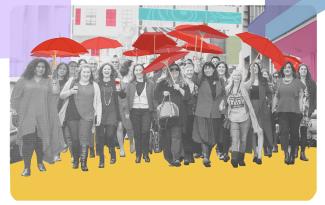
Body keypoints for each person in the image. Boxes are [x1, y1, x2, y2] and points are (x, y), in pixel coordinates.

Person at [11, 58, 66, 176]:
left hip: (43, 116)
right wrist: (14, 113)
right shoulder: (23, 80)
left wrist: (55, 78)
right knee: (28, 141)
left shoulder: (48, 81)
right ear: (33, 67)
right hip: (27, 116)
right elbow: (15, 98)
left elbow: (56, 93)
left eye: (43, 67)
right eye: (38, 66)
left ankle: (40, 163)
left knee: (40, 140)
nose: (41, 69)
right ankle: (26, 167)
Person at [59, 64, 102, 171]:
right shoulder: (72, 81)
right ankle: (75, 160)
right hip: (72, 114)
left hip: (87, 115)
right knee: (74, 140)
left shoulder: (95, 85)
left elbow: (98, 102)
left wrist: (99, 116)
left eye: (88, 72)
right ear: (80, 72)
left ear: (91, 74)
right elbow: (61, 95)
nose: (86, 74)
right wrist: (71, 91)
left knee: (84, 139)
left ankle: (83, 163)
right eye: (84, 72)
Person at [225, 68, 262, 168]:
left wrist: (253, 67)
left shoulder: (245, 86)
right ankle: (234, 158)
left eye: (238, 75)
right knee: (234, 138)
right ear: (232, 77)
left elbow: (252, 79)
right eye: (235, 75)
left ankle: (241, 159)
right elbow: (225, 101)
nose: (236, 77)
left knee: (243, 139)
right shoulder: (228, 88)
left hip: (245, 117)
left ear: (241, 77)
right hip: (233, 117)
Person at [154, 64, 190, 167]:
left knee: (176, 136)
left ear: (179, 71)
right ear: (168, 71)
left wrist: (179, 89)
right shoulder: (162, 82)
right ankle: (169, 158)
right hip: (165, 115)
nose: (174, 71)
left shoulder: (183, 83)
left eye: (176, 69)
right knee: (166, 138)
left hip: (178, 114)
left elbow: (188, 97)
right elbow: (155, 95)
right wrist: (163, 93)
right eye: (172, 69)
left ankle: (176, 159)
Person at [192, 62, 225, 167]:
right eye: (205, 68)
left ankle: (207, 156)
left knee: (213, 137)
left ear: (213, 69)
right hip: (202, 112)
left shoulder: (220, 80)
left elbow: (224, 94)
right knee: (203, 135)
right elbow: (193, 79)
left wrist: (223, 102)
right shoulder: (200, 80)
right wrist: (196, 70)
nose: (207, 70)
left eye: (209, 68)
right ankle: (206, 158)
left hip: (215, 113)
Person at [272, 62, 305, 165]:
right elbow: (276, 96)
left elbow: (301, 97)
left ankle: (292, 154)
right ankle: (286, 153)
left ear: (292, 70)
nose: (287, 69)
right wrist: (273, 107)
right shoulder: (278, 82)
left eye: (289, 67)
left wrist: (301, 110)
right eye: (285, 67)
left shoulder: (298, 82)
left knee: (295, 134)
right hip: (282, 112)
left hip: (295, 112)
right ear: (283, 70)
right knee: (284, 133)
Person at [125, 64, 155, 163]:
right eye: (136, 70)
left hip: (146, 110)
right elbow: (126, 98)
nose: (138, 72)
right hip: (134, 111)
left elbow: (154, 98)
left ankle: (145, 154)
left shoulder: (150, 83)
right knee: (137, 134)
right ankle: (138, 155)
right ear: (134, 72)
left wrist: (155, 112)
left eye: (140, 70)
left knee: (145, 132)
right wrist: (127, 112)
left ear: (144, 71)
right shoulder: (130, 84)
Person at [245, 63, 273, 165]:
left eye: (256, 67)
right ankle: (255, 154)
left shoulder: (264, 81)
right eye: (252, 68)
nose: (254, 69)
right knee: (252, 132)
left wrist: (268, 101)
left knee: (260, 131)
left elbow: (270, 93)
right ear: (250, 70)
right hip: (251, 109)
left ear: (259, 69)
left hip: (262, 109)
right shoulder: (247, 81)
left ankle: (260, 155)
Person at [96, 63, 121, 167]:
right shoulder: (97, 82)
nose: (106, 70)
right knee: (100, 136)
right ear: (102, 71)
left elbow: (122, 96)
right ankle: (101, 159)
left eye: (109, 69)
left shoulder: (116, 81)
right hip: (100, 112)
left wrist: (120, 90)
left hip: (112, 112)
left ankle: (112, 152)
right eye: (105, 69)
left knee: (110, 135)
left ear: (111, 71)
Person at [112, 57, 135, 156]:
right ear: (128, 67)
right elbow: (118, 93)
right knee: (120, 127)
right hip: (120, 106)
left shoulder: (135, 79)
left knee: (130, 126)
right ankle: (121, 148)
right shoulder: (118, 79)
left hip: (132, 106)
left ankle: (131, 142)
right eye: (133, 66)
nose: (135, 67)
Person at [296, 64, 317, 161]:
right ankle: (295, 149)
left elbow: (314, 99)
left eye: (305, 69)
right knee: (294, 131)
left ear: (307, 71)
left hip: (306, 111)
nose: (303, 70)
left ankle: (302, 153)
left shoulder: (312, 83)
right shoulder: (294, 82)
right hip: (295, 110)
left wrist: (311, 110)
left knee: (304, 132)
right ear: (299, 71)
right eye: (302, 69)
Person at [182, 61, 201, 165]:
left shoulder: (195, 85)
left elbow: (197, 98)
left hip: (193, 112)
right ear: (184, 72)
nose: (189, 72)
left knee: (191, 133)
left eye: (191, 70)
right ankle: (186, 155)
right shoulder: (181, 83)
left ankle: (190, 154)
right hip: (183, 112)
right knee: (184, 133)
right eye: (187, 70)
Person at [52, 63, 71, 161]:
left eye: (64, 69)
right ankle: (56, 154)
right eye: (60, 68)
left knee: (64, 130)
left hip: (65, 107)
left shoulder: (69, 81)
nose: (62, 70)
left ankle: (65, 144)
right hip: (54, 107)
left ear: (67, 71)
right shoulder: (52, 80)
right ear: (57, 69)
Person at [214, 61, 231, 162]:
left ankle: (225, 152)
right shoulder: (214, 80)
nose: (221, 68)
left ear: (226, 69)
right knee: (217, 131)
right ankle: (219, 149)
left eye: (223, 67)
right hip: (216, 109)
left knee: (226, 131)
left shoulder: (229, 80)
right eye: (219, 67)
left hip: (227, 108)